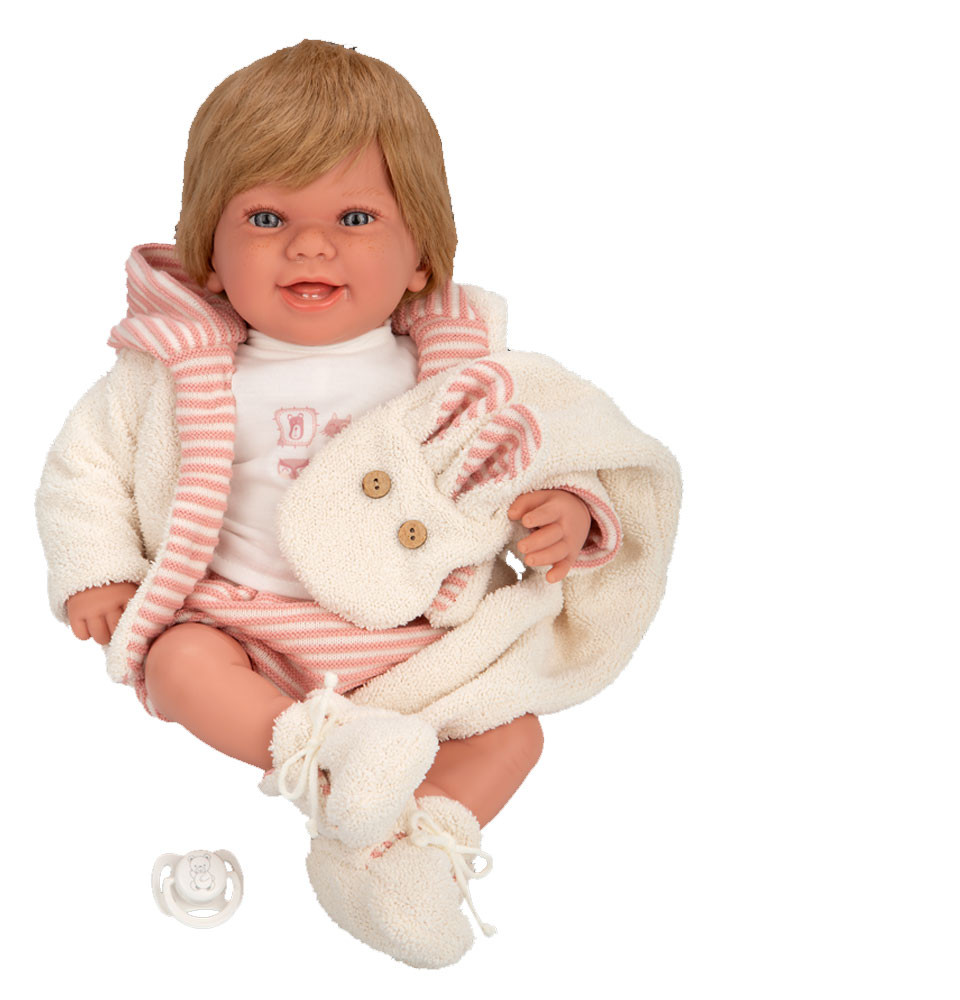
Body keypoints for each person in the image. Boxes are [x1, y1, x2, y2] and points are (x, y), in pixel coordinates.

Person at [37, 40, 647, 968]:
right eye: (267, 217)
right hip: (250, 629)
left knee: (514, 732)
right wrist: (99, 570)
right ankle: (328, 756)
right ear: (210, 258)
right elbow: (85, 468)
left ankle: (404, 854)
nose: (310, 245)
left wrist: (566, 505)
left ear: (419, 258)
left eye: (355, 217)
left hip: (418, 642)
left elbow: (540, 443)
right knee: (177, 664)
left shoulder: (454, 375)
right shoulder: (175, 373)